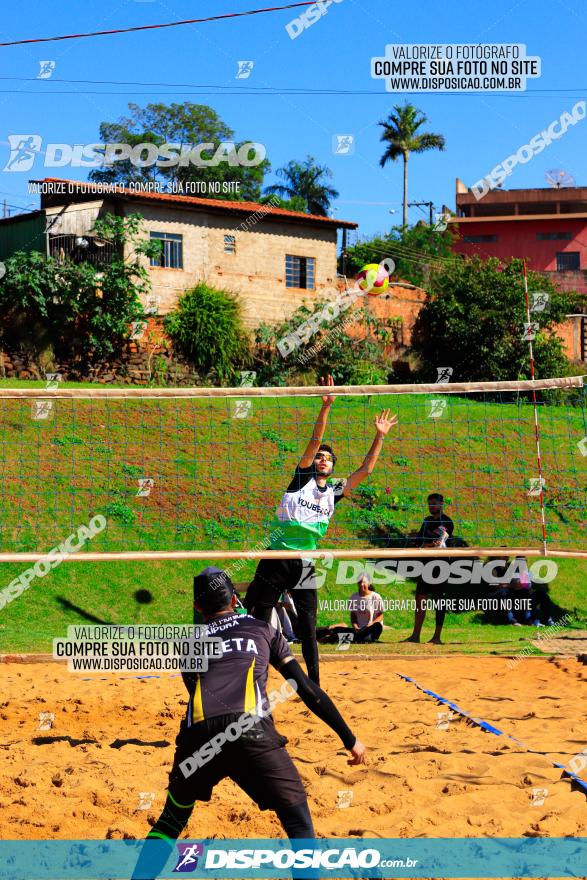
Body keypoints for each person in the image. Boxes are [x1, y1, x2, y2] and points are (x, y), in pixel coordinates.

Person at [132, 567, 365, 879]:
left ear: (198, 606)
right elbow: (307, 689)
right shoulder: (263, 630)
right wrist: (349, 738)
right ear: (234, 597)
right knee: (297, 822)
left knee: (171, 819)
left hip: (199, 735)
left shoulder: (190, 643)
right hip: (250, 730)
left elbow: (196, 691)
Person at [245, 375, 397, 684]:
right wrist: (326, 406)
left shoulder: (334, 491)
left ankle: (313, 682)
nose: (322, 459)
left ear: (333, 466)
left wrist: (379, 436)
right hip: (276, 557)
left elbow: (365, 470)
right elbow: (315, 441)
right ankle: (252, 674)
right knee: (256, 620)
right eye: (319, 457)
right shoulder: (301, 479)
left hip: (305, 562)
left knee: (308, 626)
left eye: (327, 458)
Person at [317, 574, 384, 644]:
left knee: (377, 626)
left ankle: (335, 638)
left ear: (369, 583)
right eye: (359, 582)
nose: (361, 584)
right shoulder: (354, 597)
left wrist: (369, 625)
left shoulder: (375, 596)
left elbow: (380, 616)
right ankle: (361, 638)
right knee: (337, 629)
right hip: (358, 630)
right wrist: (355, 627)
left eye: (364, 582)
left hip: (370, 628)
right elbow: (353, 616)